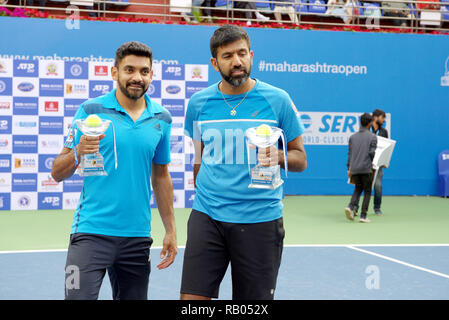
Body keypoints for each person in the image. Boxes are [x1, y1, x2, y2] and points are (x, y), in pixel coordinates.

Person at [181, 25, 307, 300]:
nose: (237, 61)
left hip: (259, 220)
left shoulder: (278, 100)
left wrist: (279, 156)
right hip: (208, 216)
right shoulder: (199, 103)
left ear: (251, 55)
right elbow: (199, 158)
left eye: (241, 54)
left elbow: (300, 159)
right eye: (227, 56)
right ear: (215, 63)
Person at [51, 41, 177, 300]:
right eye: (129, 69)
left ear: (151, 75)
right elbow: (57, 172)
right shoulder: (89, 111)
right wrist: (77, 152)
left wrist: (171, 230)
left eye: (144, 71)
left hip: (137, 238)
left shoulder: (162, 118)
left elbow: (161, 176)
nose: (137, 77)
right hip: (89, 235)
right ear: (114, 72)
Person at [345, 113, 377, 223]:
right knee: (367, 191)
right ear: (370, 123)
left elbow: (350, 154)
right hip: (366, 168)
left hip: (354, 169)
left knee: (358, 189)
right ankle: (363, 216)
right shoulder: (373, 137)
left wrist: (349, 168)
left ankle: (350, 206)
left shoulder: (352, 137)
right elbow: (372, 153)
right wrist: (374, 164)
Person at [371, 108, 389, 215]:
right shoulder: (367, 129)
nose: (384, 120)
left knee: (378, 186)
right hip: (366, 162)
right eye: (382, 118)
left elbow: (387, 147)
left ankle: (377, 208)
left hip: (379, 164)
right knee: (362, 185)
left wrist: (385, 160)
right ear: (375, 117)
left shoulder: (384, 132)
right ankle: (355, 207)